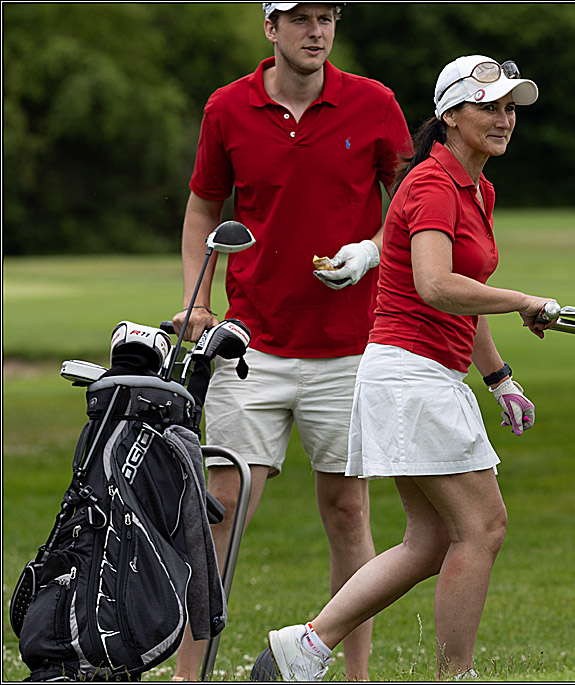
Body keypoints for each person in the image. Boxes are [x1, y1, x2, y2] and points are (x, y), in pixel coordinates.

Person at [257, 54, 554, 682]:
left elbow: (462, 297)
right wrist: (523, 300)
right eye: (489, 107)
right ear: (450, 115)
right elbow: (436, 285)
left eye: (510, 109)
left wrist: (499, 378)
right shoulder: (430, 185)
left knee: (430, 540)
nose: (504, 119)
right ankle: (456, 673)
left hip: (421, 375)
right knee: (483, 526)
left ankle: (307, 646)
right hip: (410, 377)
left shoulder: (478, 187)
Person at [169, 3, 412, 681]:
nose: (316, 31)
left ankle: (355, 673)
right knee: (221, 508)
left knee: (347, 509)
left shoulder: (373, 103)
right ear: (270, 28)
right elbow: (202, 207)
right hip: (252, 345)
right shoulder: (227, 108)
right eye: (300, 17)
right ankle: (189, 675)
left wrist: (371, 249)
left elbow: (411, 202)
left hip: (348, 348)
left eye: (327, 17)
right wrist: (197, 300)